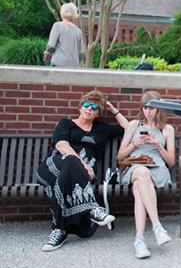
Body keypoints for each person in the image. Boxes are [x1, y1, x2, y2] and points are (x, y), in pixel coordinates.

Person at [37, 90, 128, 251]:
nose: (88, 109)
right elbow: (61, 145)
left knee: (63, 183)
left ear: (98, 113)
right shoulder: (66, 124)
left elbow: (129, 128)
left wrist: (114, 110)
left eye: (94, 107)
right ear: (80, 108)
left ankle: (59, 230)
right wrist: (84, 165)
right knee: (71, 160)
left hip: (80, 176)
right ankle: (92, 208)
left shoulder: (102, 129)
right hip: (54, 166)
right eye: (85, 105)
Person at [117, 91, 175, 259]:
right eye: (145, 108)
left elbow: (170, 162)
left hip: (157, 168)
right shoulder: (134, 125)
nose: (148, 112)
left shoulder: (167, 129)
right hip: (135, 165)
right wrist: (135, 143)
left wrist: (158, 144)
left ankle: (140, 240)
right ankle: (157, 227)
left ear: (159, 109)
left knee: (138, 187)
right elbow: (120, 156)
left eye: (152, 108)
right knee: (142, 173)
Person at [43, 2, 84, 67]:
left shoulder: (57, 26)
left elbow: (51, 46)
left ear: (62, 13)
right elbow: (80, 54)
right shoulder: (78, 31)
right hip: (73, 66)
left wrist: (46, 55)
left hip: (59, 63)